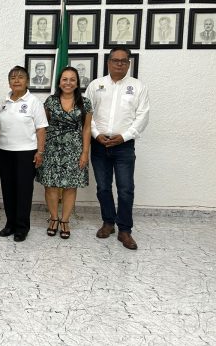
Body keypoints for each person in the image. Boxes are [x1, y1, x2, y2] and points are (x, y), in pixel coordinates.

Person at [85, 47, 150, 250]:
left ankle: (125, 230)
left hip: (124, 145)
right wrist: (96, 134)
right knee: (103, 187)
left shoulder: (138, 87)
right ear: (108, 62)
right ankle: (108, 222)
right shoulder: (96, 85)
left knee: (125, 188)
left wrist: (124, 136)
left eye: (124, 61)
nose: (120, 64)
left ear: (129, 64)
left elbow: (143, 116)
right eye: (116, 60)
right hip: (99, 143)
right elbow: (87, 114)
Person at [36, 67, 92, 239]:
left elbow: (87, 129)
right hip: (51, 148)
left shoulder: (85, 103)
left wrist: (85, 152)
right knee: (50, 185)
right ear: (59, 82)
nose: (68, 83)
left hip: (74, 149)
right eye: (65, 79)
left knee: (70, 186)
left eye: (72, 79)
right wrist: (40, 150)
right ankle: (53, 218)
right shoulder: (50, 101)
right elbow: (42, 126)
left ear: (77, 83)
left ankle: (65, 220)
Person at [0, 66, 47, 242]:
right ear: (9, 82)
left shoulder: (34, 102)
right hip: (4, 151)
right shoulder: (3, 102)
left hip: (26, 153)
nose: (16, 80)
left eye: (20, 77)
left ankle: (22, 227)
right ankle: (10, 224)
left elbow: (41, 129)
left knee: (23, 191)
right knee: (8, 189)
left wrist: (40, 151)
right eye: (13, 78)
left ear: (27, 81)